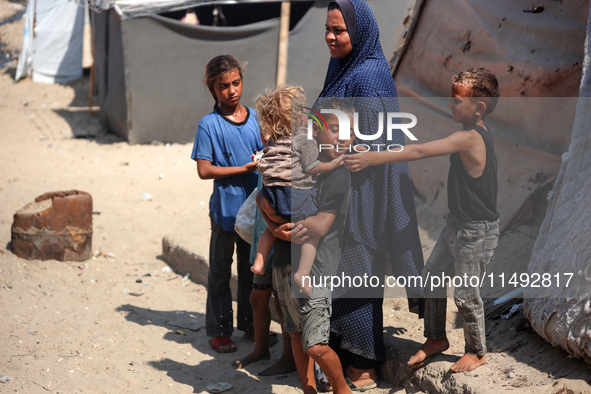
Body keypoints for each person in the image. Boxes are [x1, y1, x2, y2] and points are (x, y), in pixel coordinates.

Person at [345, 68, 501, 373]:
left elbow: (417, 151)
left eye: (456, 101)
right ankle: (435, 339)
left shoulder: (470, 138)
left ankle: (477, 351)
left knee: (467, 295)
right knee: (431, 279)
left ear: (478, 108)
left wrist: (372, 158)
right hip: (455, 225)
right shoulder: (469, 134)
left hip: (476, 233)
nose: (450, 105)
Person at [317, 0, 425, 389]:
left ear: (358, 32)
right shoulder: (342, 66)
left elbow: (381, 142)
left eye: (339, 31)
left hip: (364, 195)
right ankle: (340, 362)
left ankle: (363, 367)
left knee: (357, 275)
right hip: (336, 193)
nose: (330, 37)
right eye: (328, 30)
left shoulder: (369, 76)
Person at [263, 98, 357, 394]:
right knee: (294, 334)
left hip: (314, 273)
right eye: (335, 129)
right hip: (283, 265)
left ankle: (343, 390)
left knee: (316, 346)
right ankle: (309, 390)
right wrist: (272, 225)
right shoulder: (300, 163)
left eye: (350, 132)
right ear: (315, 132)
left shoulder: (339, 175)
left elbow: (321, 225)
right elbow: (264, 198)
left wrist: (281, 230)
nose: (343, 137)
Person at [191, 54, 263, 353]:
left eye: (236, 83)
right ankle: (220, 330)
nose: (231, 91)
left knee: (251, 271)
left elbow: (269, 149)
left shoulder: (257, 117)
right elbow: (204, 170)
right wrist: (244, 169)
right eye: (224, 86)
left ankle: (249, 325)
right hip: (224, 211)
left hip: (256, 210)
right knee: (220, 271)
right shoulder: (208, 125)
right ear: (213, 89)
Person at [252, 85, 342, 296]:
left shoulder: (273, 140)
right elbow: (313, 167)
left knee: (270, 230)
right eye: (301, 110)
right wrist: (333, 165)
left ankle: (259, 260)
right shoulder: (304, 139)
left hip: (270, 196)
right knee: (312, 235)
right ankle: (302, 272)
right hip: (295, 196)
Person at [231, 132, 297, 376]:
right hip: (264, 234)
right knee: (257, 299)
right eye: (265, 129)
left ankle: (288, 357)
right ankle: (261, 349)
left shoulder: (290, 156)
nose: (268, 135)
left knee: (282, 304)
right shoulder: (269, 154)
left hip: (278, 240)